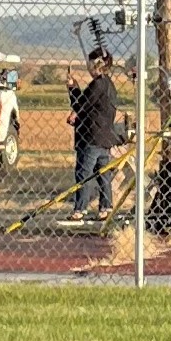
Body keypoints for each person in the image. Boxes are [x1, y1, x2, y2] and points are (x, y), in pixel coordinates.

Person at [69, 53, 124, 222]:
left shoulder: (97, 85)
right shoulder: (109, 85)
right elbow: (90, 107)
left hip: (91, 137)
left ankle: (80, 209)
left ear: (97, 65)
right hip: (104, 137)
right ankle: (105, 207)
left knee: (83, 174)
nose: (88, 67)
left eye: (91, 64)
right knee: (103, 174)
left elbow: (80, 104)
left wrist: (73, 88)